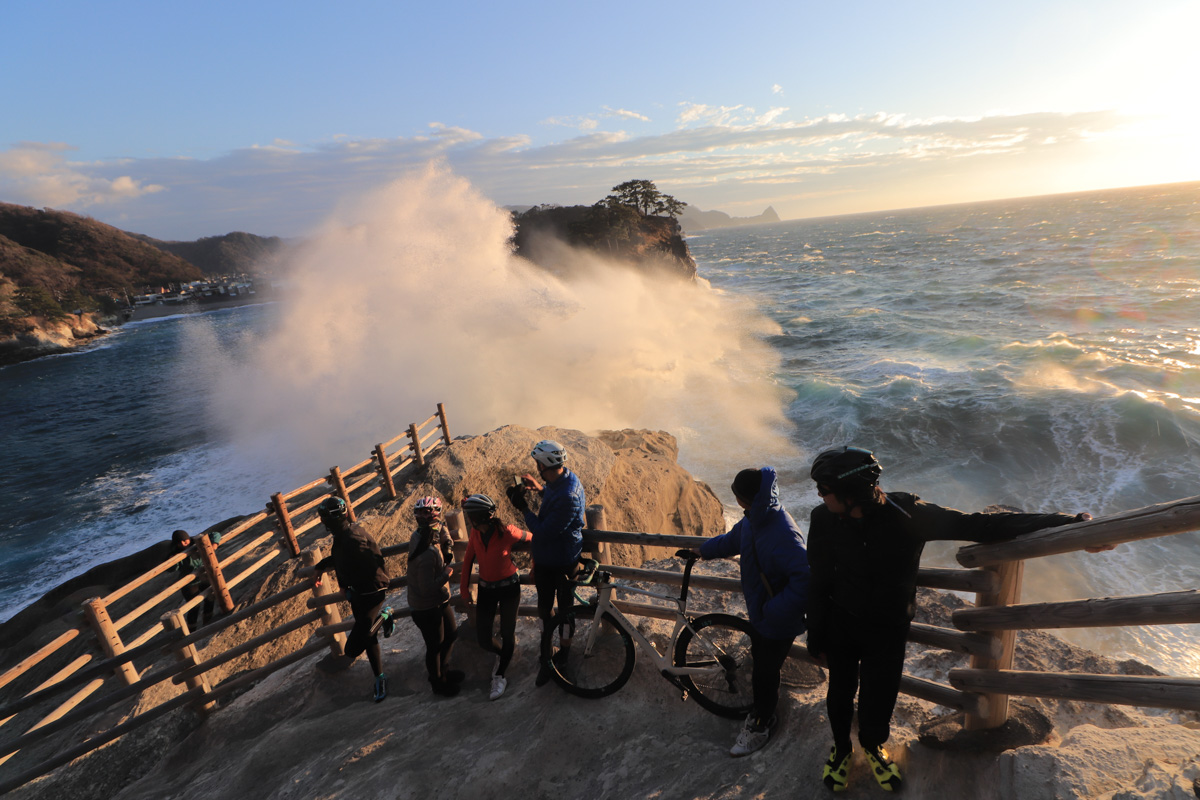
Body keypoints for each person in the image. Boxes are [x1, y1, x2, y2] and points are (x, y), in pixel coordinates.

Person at [805, 446, 1093, 793]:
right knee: (839, 692)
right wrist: (816, 634)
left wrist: (1068, 524)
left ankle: (872, 746)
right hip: (841, 623)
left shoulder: (907, 513)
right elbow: (819, 579)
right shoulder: (823, 519)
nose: (819, 496)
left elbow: (981, 524)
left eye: (824, 489)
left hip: (888, 630)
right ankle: (841, 749)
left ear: (850, 492)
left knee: (879, 697)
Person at [693, 467, 810, 757]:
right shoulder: (754, 519)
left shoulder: (782, 530)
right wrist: (703, 551)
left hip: (778, 617)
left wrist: (772, 610)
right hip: (763, 614)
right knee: (762, 665)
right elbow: (732, 541)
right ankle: (761, 712)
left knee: (765, 673)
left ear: (746, 499)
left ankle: (761, 722)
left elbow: (806, 579)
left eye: (737, 496)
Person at [506, 439, 586, 686]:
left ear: (545, 464)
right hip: (546, 560)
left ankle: (563, 656)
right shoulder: (559, 480)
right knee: (544, 610)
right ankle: (546, 655)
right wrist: (539, 489)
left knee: (565, 612)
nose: (535, 465)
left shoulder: (569, 495)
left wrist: (523, 508)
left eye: (537, 463)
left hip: (562, 561)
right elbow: (552, 499)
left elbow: (542, 531)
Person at [312, 496, 392, 702]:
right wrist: (322, 566)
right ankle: (379, 677)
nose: (323, 522)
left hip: (371, 593)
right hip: (358, 594)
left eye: (324, 519)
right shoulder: (344, 535)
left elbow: (366, 565)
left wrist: (345, 586)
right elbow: (343, 558)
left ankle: (386, 614)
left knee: (353, 647)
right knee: (369, 637)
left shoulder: (352, 537)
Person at [459, 493, 532, 700]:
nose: (468, 519)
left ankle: (500, 675)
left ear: (477, 517)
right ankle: (505, 654)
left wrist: (534, 565)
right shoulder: (475, 534)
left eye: (469, 516)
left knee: (508, 634)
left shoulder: (507, 532)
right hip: (486, 589)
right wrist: (464, 591)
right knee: (483, 638)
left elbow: (532, 538)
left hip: (510, 587)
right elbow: (466, 563)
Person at [406, 495, 464, 697]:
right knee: (435, 646)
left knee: (451, 635)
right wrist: (445, 574)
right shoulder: (427, 554)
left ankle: (443, 672)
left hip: (437, 601)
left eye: (430, 512)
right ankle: (438, 683)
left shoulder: (420, 535)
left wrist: (447, 545)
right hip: (426, 606)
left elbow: (441, 529)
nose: (429, 516)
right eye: (424, 512)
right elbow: (426, 588)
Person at [169, 528, 222, 629]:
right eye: (180, 542)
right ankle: (192, 630)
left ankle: (208, 622)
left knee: (210, 597)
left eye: (185, 539)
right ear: (176, 544)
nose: (184, 542)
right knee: (195, 606)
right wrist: (173, 560)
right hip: (189, 583)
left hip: (202, 576)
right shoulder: (176, 553)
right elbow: (172, 568)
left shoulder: (195, 542)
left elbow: (216, 533)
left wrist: (214, 544)